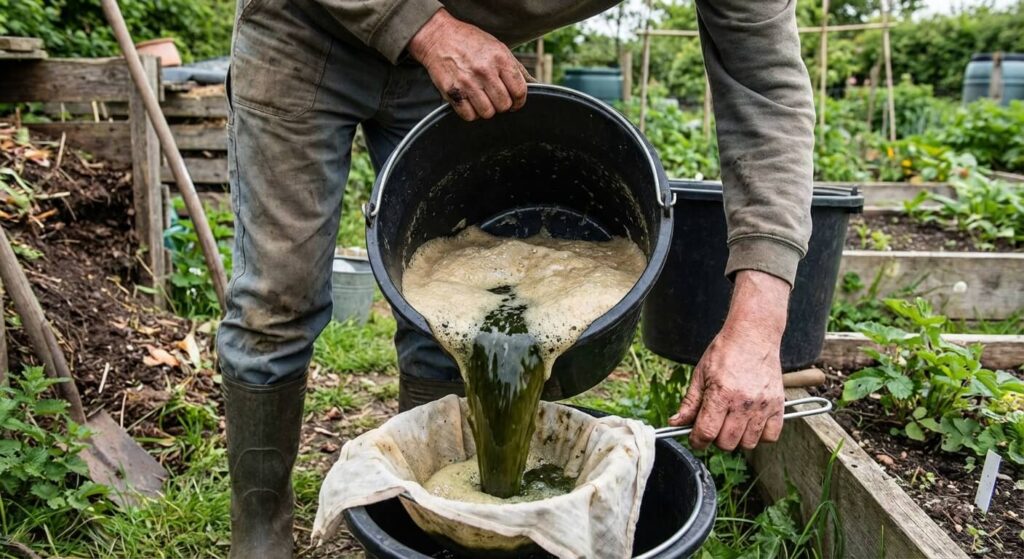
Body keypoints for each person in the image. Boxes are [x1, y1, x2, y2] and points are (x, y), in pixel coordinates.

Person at [216, 0, 814, 556]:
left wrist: (759, 327)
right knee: (277, 301)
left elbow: (766, 90)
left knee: (445, 323)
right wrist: (425, 26)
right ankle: (260, 531)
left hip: (466, 65)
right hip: (308, 28)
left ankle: (440, 526)